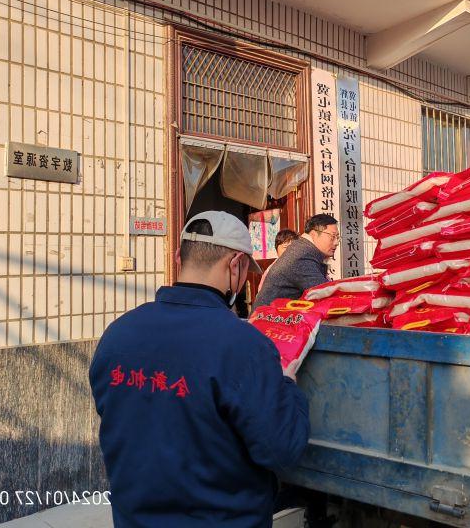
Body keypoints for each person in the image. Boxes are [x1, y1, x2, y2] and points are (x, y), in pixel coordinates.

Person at [89, 210, 310, 527]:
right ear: (235, 265)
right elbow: (282, 450)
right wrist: (288, 386)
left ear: (180, 257)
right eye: (245, 270)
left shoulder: (117, 334)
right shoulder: (245, 345)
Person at [253, 214, 339, 309]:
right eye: (333, 236)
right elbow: (324, 293)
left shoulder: (303, 249)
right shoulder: (301, 256)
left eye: (338, 237)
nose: (336, 242)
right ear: (314, 234)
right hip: (267, 320)